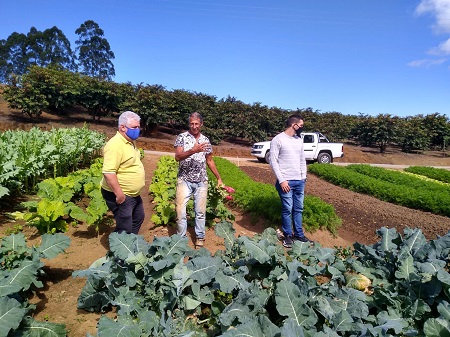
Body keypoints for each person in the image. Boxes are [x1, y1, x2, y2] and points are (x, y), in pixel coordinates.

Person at [174, 112, 223, 247]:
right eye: (192, 124)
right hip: (184, 179)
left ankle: (200, 237)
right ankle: (181, 239)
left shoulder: (206, 140)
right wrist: (193, 150)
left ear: (201, 124)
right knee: (180, 211)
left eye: (196, 124)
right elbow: (177, 157)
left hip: (201, 180)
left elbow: (210, 160)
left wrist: (219, 178)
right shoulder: (181, 137)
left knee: (200, 212)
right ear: (189, 124)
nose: (194, 126)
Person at [269, 114, 312, 248]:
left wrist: (303, 176)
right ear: (294, 125)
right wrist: (282, 180)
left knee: (298, 208)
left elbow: (302, 159)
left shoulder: (298, 140)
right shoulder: (278, 140)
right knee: (287, 208)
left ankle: (299, 234)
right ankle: (287, 235)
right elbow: (273, 161)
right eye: (301, 125)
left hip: (299, 181)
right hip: (286, 182)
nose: (301, 128)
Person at [101, 111, 145, 235]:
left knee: (138, 217)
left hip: (133, 194)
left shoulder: (130, 141)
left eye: (138, 127)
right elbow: (108, 172)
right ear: (122, 127)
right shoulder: (115, 145)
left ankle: (130, 243)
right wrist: (119, 194)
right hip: (121, 194)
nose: (138, 130)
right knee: (124, 225)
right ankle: (120, 251)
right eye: (134, 127)